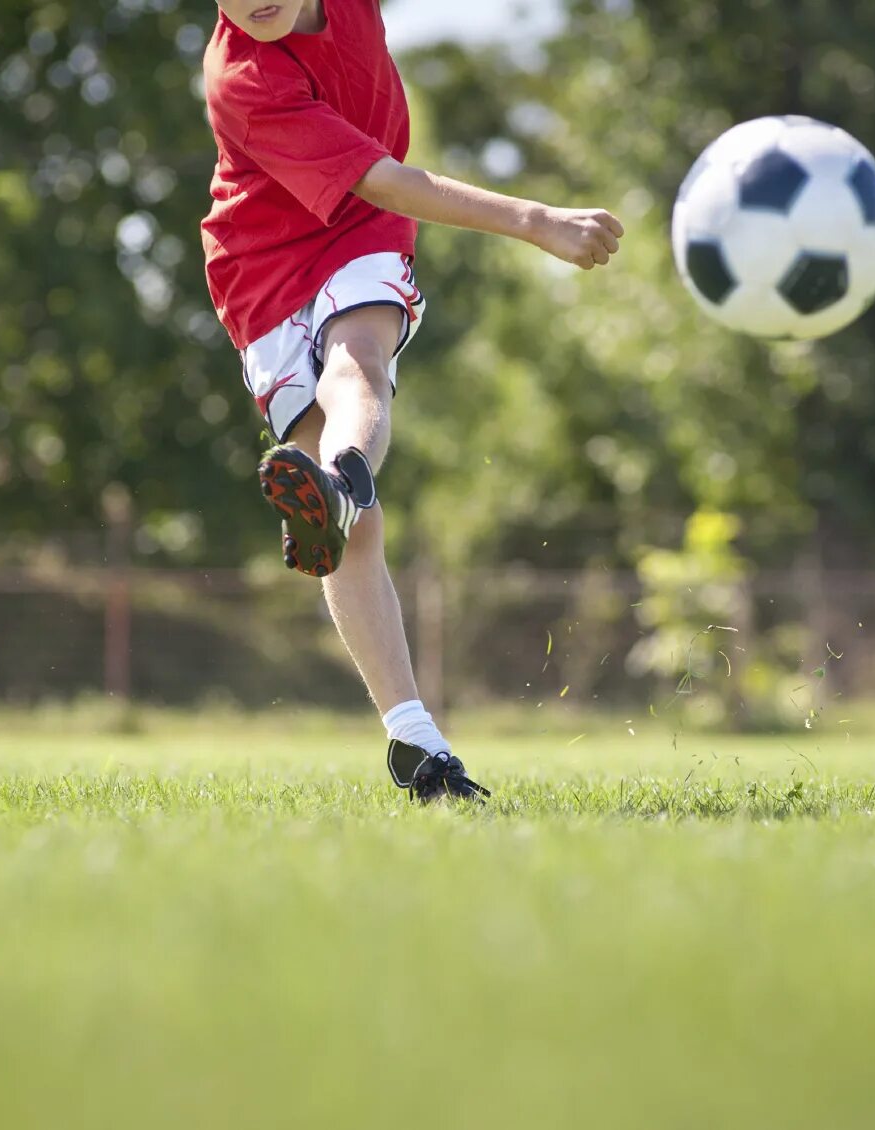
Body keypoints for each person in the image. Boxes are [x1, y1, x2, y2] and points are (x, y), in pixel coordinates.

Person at [201, 0, 624, 801]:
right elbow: (385, 176)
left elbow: (375, 202)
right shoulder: (242, 77)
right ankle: (415, 743)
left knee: (358, 357)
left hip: (360, 234)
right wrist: (535, 220)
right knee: (357, 536)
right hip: (258, 273)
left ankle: (342, 479)